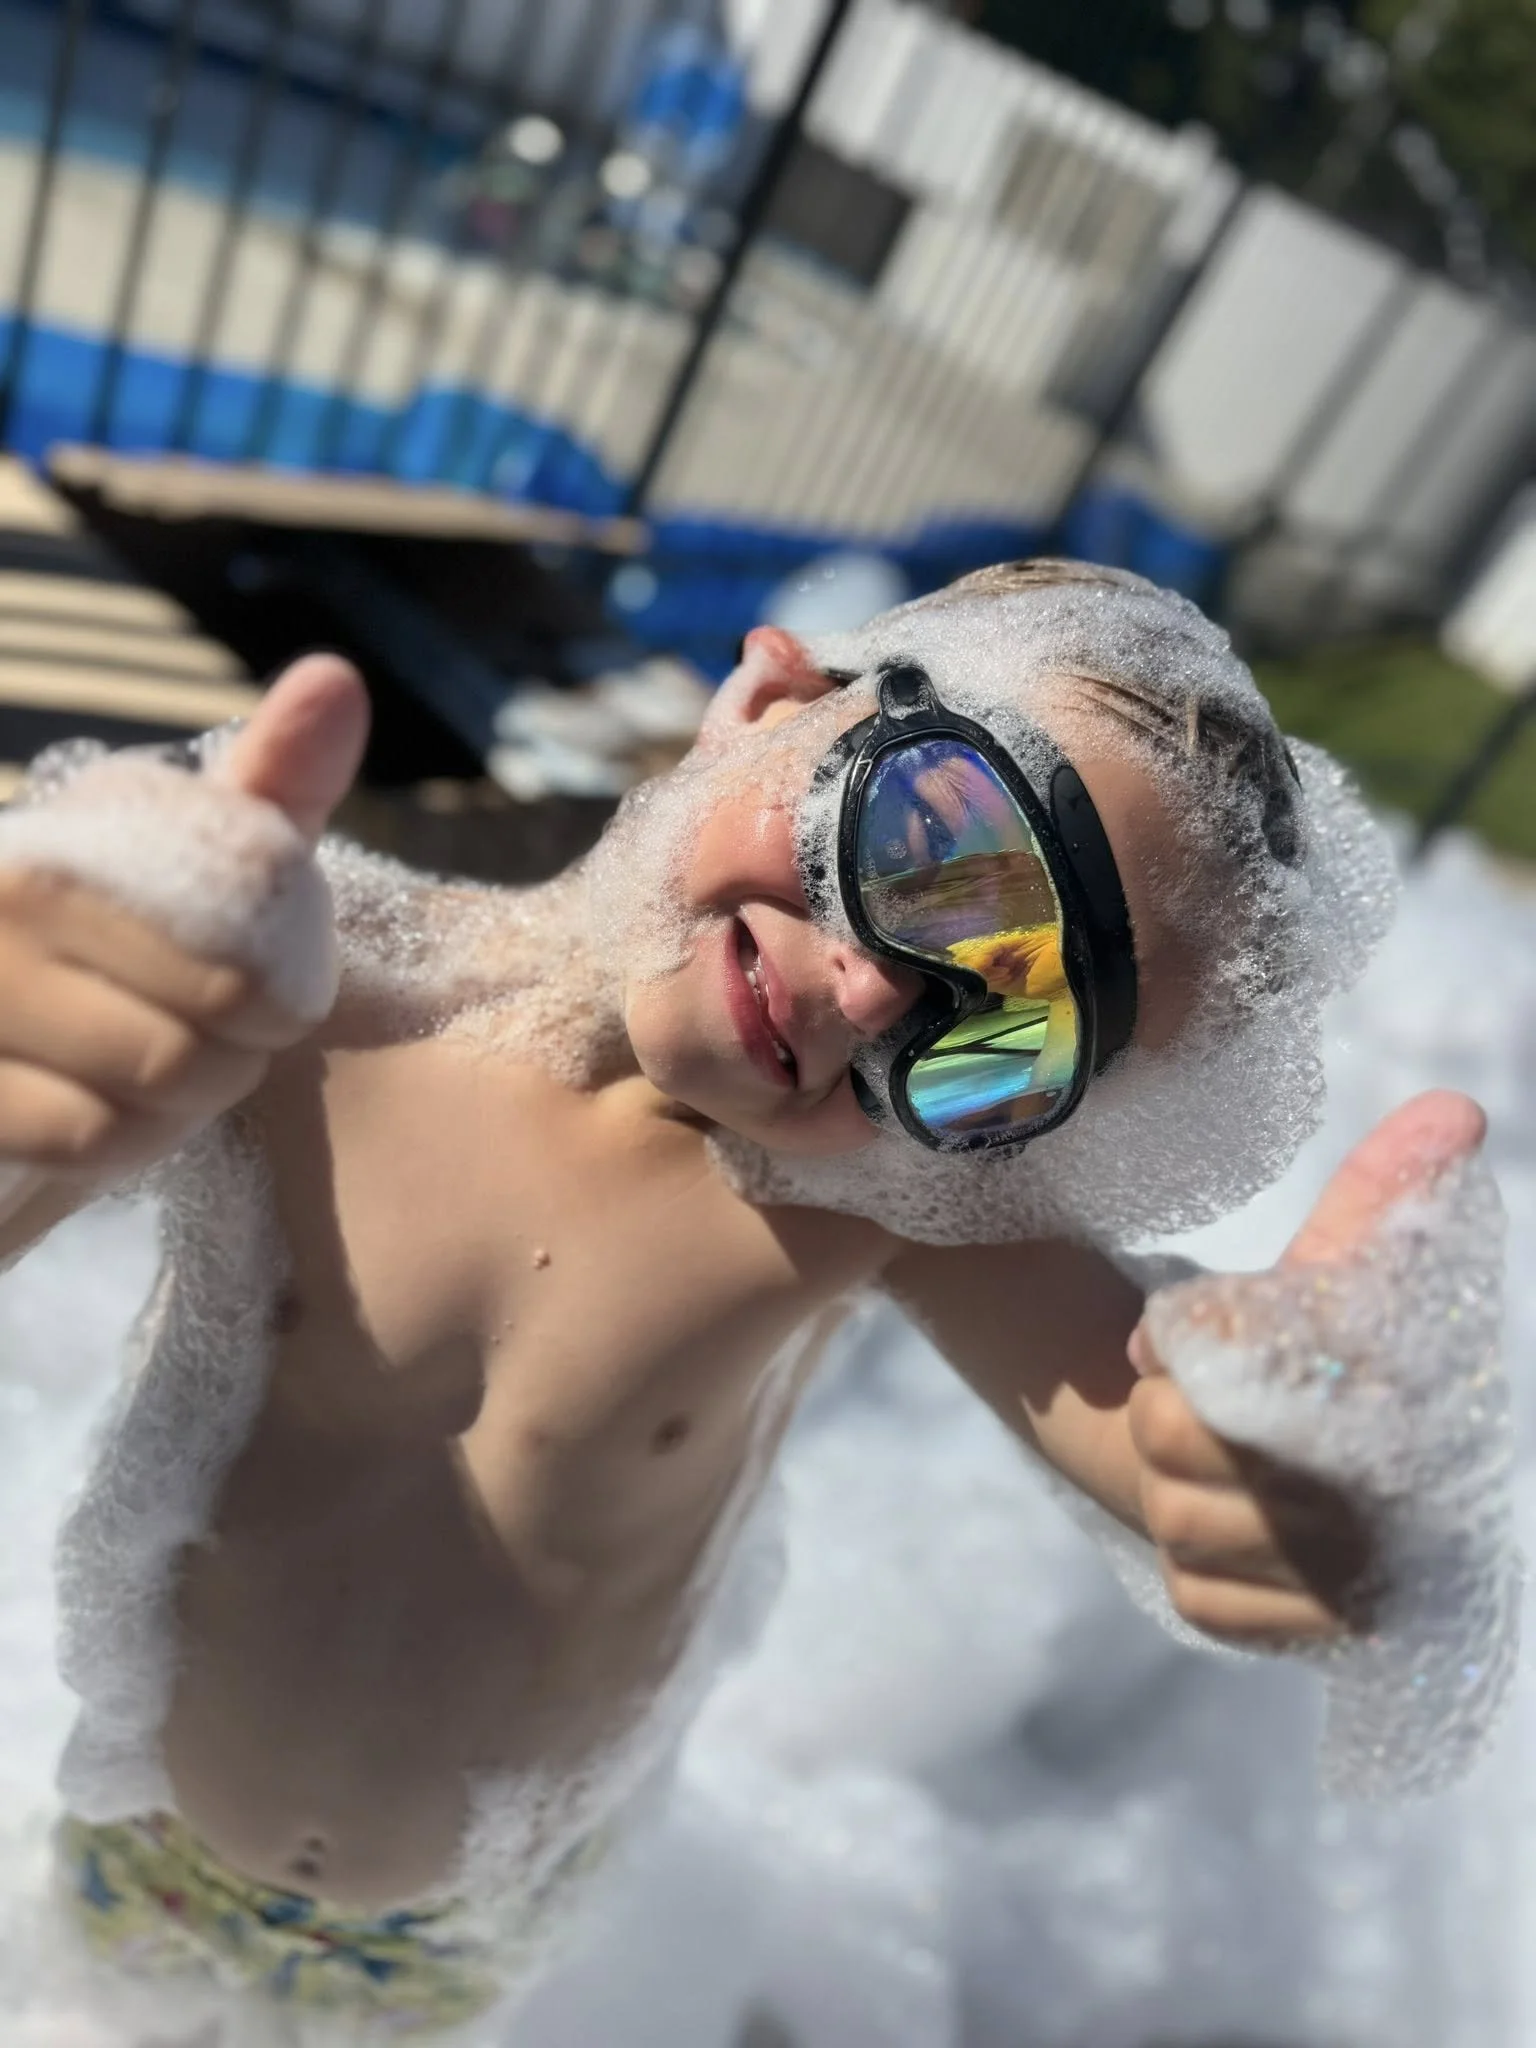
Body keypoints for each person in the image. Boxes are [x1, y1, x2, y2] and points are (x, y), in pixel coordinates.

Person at [0, 560, 1482, 2041]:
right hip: (158, 1838)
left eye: (1007, 1032)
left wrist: (1285, 1447)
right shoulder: (319, 1015)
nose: (880, 993)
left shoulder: (867, 1201)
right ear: (774, 700)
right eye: (932, 851)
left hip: (483, 1912)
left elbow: (1141, 1413)